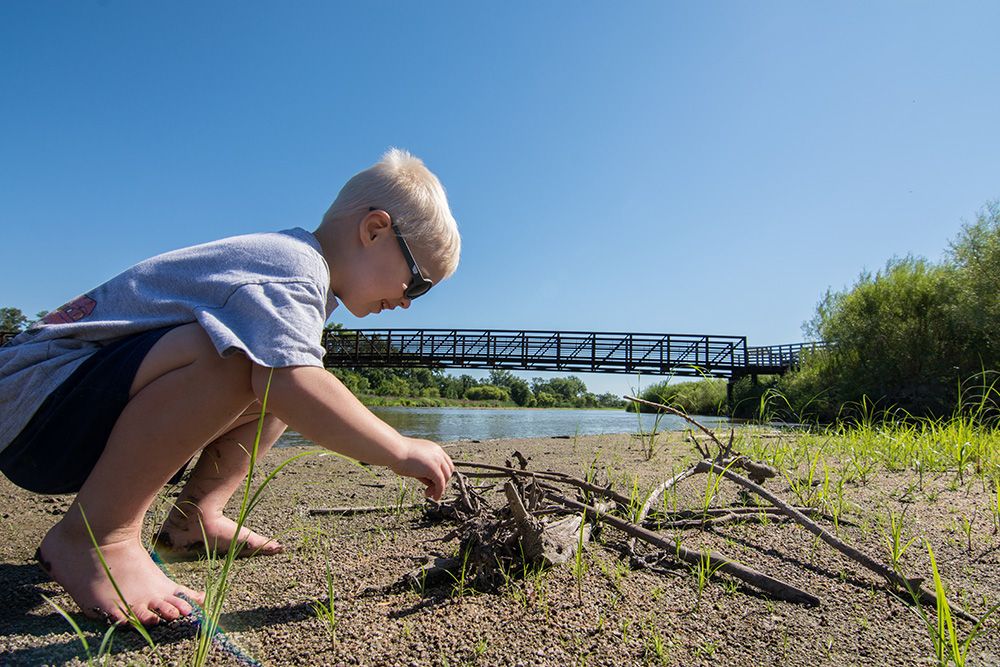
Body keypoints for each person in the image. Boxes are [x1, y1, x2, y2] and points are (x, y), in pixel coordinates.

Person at [0, 148, 459, 626]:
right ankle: (96, 537)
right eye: (418, 283)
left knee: (276, 369)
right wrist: (398, 448)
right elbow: (292, 382)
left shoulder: (304, 280)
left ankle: (194, 520)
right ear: (374, 230)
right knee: (254, 362)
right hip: (33, 402)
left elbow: (290, 382)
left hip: (63, 410)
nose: (408, 303)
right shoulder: (291, 266)